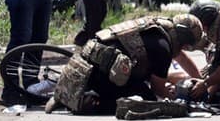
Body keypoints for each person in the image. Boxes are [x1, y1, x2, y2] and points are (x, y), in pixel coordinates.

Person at [47, 13, 204, 114]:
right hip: (98, 73)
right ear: (182, 42)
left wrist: (202, 82)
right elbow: (158, 88)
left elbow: (181, 58)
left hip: (89, 60)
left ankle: (70, 95)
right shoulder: (163, 49)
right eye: (186, 46)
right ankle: (88, 103)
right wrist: (178, 97)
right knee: (146, 100)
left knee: (141, 85)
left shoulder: (158, 31)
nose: (184, 49)